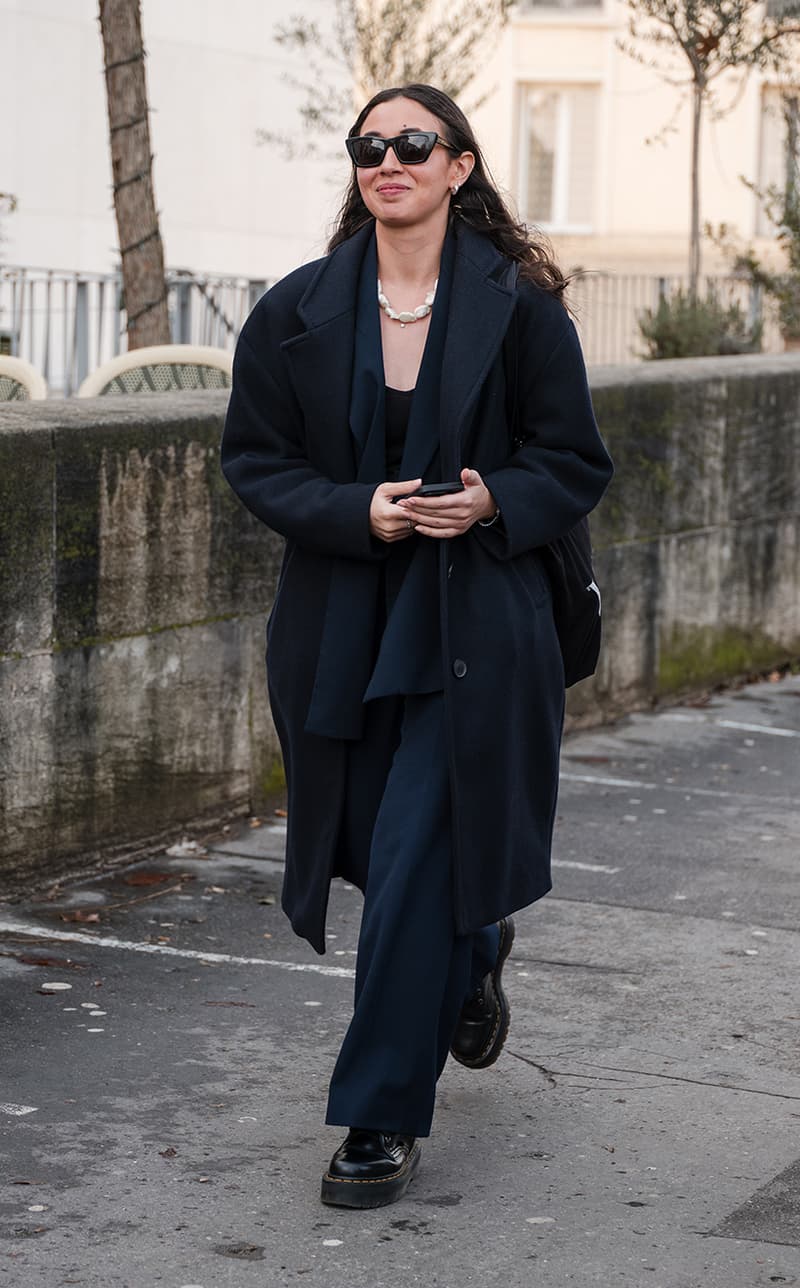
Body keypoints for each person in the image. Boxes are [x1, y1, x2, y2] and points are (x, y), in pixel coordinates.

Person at [221, 83, 613, 1210]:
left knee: (408, 863)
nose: (386, 159)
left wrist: (493, 496)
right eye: (367, 147)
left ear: (457, 166)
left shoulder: (522, 306)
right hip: (343, 624)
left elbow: (571, 459)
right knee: (381, 853)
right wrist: (362, 512)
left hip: (478, 628)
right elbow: (254, 460)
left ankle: (380, 1111)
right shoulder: (295, 309)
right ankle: (477, 940)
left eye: (411, 144)